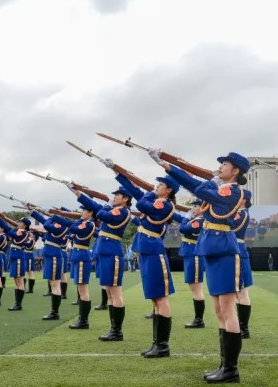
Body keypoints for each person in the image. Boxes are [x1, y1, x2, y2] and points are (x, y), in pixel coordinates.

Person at [150, 149, 248, 384]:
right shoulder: (221, 188)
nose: (220, 167)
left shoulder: (233, 190)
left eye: (225, 164)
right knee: (219, 310)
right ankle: (224, 365)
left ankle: (231, 369)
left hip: (224, 250)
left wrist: (175, 169)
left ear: (235, 170)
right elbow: (196, 185)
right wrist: (167, 165)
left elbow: (199, 188)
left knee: (227, 309)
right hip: (212, 249)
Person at [114, 169, 179, 358]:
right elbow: (135, 192)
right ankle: (157, 343)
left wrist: (150, 192)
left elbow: (141, 203)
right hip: (147, 250)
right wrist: (119, 174)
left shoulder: (164, 204)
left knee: (161, 298)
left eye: (160, 185)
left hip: (154, 252)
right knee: (155, 299)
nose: (156, 186)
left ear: (168, 190)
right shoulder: (156, 201)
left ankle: (163, 346)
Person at [68, 184, 133, 341]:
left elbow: (102, 213)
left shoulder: (122, 211)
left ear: (125, 199)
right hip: (105, 252)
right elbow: (95, 206)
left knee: (115, 292)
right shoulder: (114, 210)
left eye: (117, 195)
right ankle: (113, 329)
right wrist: (78, 193)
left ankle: (117, 331)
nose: (114, 197)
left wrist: (108, 204)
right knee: (109, 292)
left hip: (112, 253)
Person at [52, 204, 97, 329]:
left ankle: (84, 321)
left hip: (82, 257)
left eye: (84, 210)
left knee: (83, 290)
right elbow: (72, 225)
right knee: (81, 289)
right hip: (78, 256)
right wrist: (57, 215)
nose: (82, 212)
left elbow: (73, 228)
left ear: (90, 213)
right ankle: (82, 319)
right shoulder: (83, 223)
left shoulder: (88, 224)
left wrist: (58, 216)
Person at [29, 210, 67, 321]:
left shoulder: (60, 226)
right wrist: (33, 211)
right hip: (51, 255)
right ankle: (54, 312)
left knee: (55, 284)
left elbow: (46, 224)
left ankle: (55, 313)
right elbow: (43, 220)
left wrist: (51, 217)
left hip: (54, 255)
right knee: (53, 283)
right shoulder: (56, 224)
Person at [178, 200, 206, 329]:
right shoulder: (195, 219)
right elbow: (180, 220)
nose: (193, 208)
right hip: (191, 254)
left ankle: (199, 320)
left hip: (194, 255)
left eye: (195, 206)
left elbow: (182, 228)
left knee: (196, 289)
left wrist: (186, 216)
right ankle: (198, 319)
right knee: (194, 288)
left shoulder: (200, 221)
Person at [232, 191, 254, 339]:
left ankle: (244, 329)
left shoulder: (241, 213)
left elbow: (231, 226)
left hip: (238, 252)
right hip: (234, 251)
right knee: (236, 292)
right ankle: (239, 326)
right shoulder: (237, 212)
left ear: (244, 200)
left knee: (242, 292)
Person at [1, 216, 32, 311]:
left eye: (20, 222)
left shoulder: (23, 232)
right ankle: (17, 303)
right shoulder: (18, 230)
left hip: (18, 257)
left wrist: (1, 219)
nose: (18, 223)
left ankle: (18, 304)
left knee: (19, 281)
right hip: (15, 257)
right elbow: (11, 231)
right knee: (16, 280)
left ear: (25, 225)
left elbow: (10, 232)